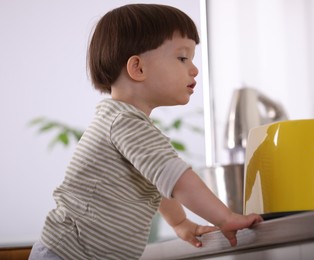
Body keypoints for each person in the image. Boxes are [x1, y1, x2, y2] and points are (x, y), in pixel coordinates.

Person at [29, 3, 262, 259]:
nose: (194, 69)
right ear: (138, 68)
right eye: (183, 58)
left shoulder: (125, 121)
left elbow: (157, 179)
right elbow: (176, 178)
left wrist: (179, 222)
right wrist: (225, 217)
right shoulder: (124, 121)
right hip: (68, 253)